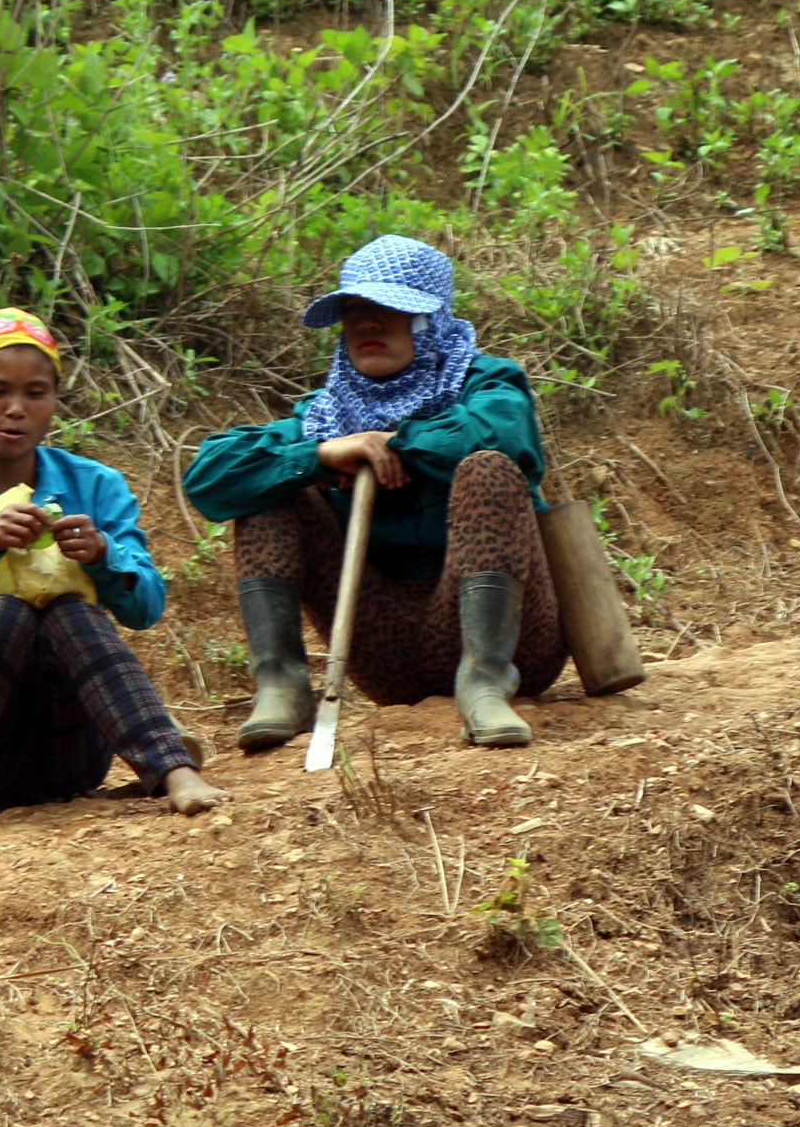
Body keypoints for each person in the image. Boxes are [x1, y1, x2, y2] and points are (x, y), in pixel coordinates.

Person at [0, 309, 221, 864]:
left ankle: (175, 772)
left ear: (54, 401)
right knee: (6, 610)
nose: (16, 409)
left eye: (36, 392)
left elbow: (147, 606)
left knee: (68, 611)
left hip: (72, 738)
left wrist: (103, 555)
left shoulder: (96, 485)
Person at [184, 235, 563, 750]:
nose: (366, 323)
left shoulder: (486, 383)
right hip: (387, 652)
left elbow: (508, 440)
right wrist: (317, 456)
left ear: (430, 322)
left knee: (487, 468)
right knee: (271, 485)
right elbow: (209, 476)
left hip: (517, 644)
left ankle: (485, 683)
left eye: (388, 308)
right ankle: (282, 685)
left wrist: (398, 442)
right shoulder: (326, 416)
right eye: (354, 310)